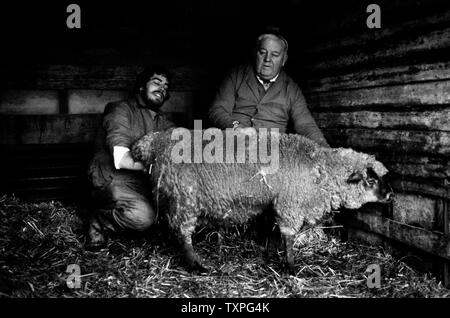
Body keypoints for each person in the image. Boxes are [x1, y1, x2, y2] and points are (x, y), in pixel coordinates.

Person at [86, 66, 175, 249]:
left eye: (165, 87)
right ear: (142, 86)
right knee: (143, 218)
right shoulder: (120, 110)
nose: (162, 89)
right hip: (111, 177)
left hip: (142, 181)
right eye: (156, 82)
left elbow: (179, 143)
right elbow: (121, 159)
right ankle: (99, 220)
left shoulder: (163, 120)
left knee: (175, 209)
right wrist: (153, 166)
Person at [208, 26, 329, 147]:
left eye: (275, 54)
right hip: (233, 144)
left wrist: (325, 150)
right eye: (262, 52)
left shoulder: (292, 89)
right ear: (256, 53)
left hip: (271, 152)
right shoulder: (236, 75)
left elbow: (306, 125)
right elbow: (218, 109)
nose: (267, 59)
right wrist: (235, 127)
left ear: (284, 60)